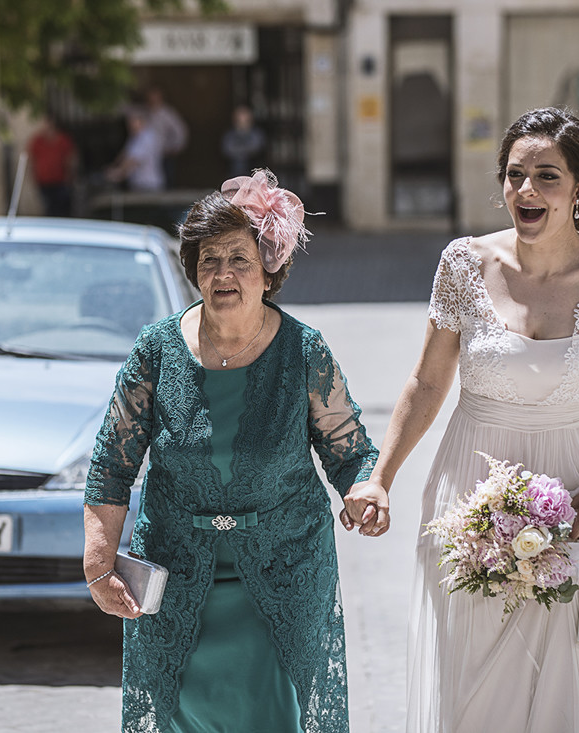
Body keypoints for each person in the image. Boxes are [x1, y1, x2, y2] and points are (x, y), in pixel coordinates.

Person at [343, 107, 579, 732]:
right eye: (515, 174)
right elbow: (427, 382)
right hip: (470, 500)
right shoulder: (462, 265)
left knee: (568, 687)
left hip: (577, 506)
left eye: (547, 176)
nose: (527, 189)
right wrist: (379, 478)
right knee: (476, 687)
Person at [84, 168, 380, 733]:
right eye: (210, 259)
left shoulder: (304, 351)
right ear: (194, 270)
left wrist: (365, 489)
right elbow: (112, 462)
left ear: (268, 271)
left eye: (239, 259)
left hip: (283, 572)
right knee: (178, 714)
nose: (223, 273)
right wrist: (99, 561)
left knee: (274, 715)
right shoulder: (155, 350)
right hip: (174, 577)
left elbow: (350, 452)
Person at [26, 114, 77, 217]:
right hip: (43, 183)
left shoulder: (63, 140)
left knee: (62, 210)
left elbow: (71, 159)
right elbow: (31, 160)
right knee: (49, 210)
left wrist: (70, 176)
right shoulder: (37, 141)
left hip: (61, 182)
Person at [106, 109, 164, 192]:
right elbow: (124, 155)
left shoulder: (146, 138)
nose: (129, 125)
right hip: (137, 182)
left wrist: (118, 173)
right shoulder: (134, 137)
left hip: (147, 184)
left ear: (142, 121)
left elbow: (133, 160)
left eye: (133, 121)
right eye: (128, 122)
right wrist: (113, 166)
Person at [145, 87, 188, 187]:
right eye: (150, 97)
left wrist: (176, 147)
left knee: (167, 179)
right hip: (149, 153)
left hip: (164, 152)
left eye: (155, 97)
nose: (153, 100)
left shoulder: (167, 113)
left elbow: (180, 131)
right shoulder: (145, 112)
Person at [221, 104, 266, 178]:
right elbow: (227, 149)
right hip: (233, 173)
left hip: (253, 172)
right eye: (239, 119)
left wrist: (239, 150)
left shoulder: (257, 134)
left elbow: (256, 148)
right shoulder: (229, 135)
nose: (242, 121)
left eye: (245, 119)